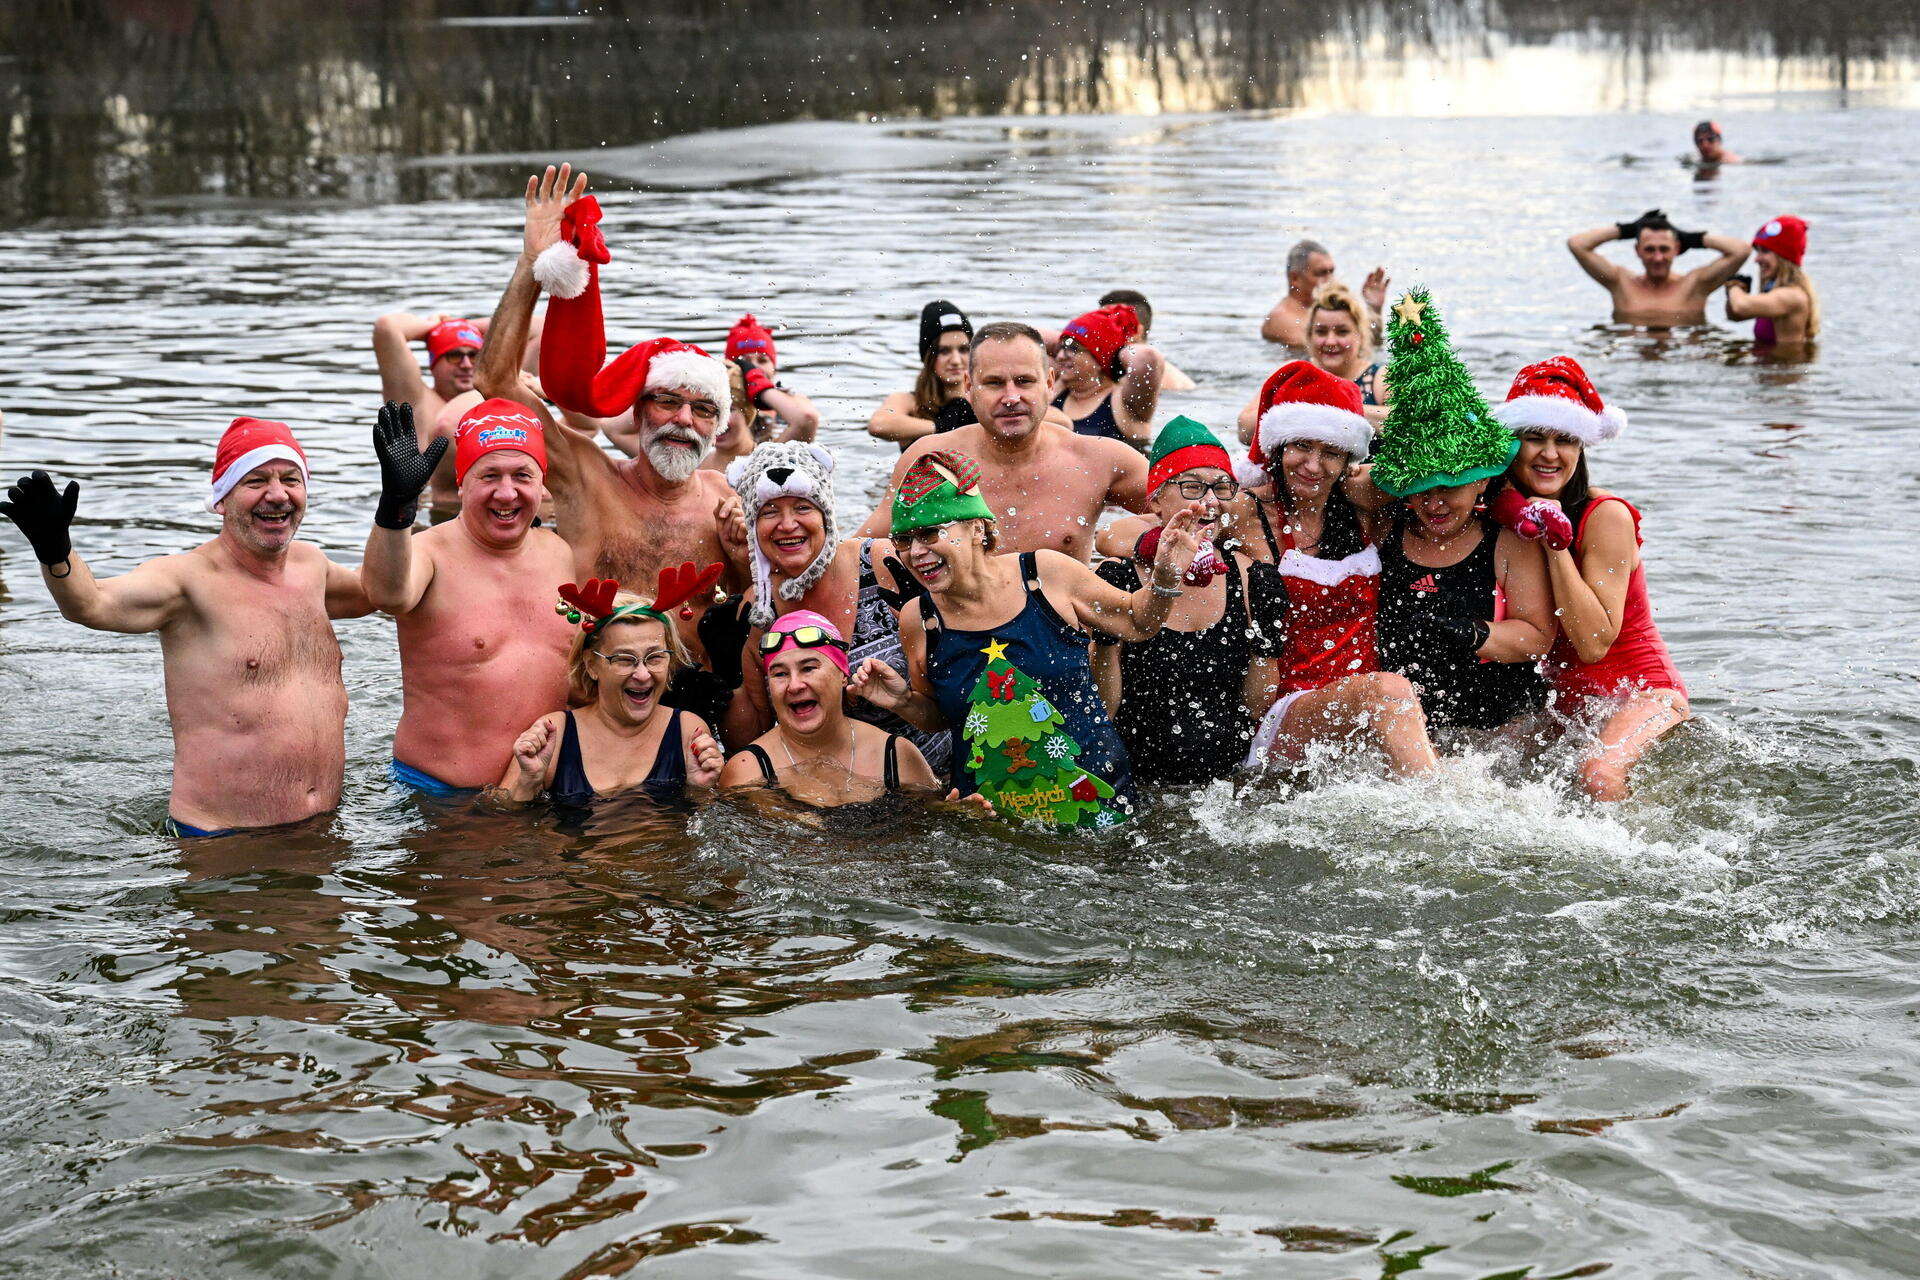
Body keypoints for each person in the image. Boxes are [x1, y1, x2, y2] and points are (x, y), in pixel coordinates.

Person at [473, 164, 752, 731]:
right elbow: (494, 381)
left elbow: (758, 616)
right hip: (590, 717)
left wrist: (748, 562)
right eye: (667, 401)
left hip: (698, 718)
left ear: (718, 425)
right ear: (638, 411)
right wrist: (531, 265)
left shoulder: (731, 501)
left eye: (702, 409)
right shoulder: (586, 477)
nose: (683, 420)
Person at [0, 419, 372, 836]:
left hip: (325, 831)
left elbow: (381, 592)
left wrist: (397, 505)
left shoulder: (312, 568)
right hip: (222, 843)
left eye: (290, 479)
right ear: (221, 499)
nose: (277, 494)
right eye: (255, 481)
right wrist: (55, 550)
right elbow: (91, 605)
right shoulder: (185, 581)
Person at [849, 451, 1201, 828]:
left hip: (1095, 798)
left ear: (977, 529)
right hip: (991, 817)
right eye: (904, 539)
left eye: (930, 533)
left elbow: (1136, 622)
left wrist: (1165, 577)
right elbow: (942, 718)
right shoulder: (919, 618)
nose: (916, 552)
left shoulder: (1045, 574)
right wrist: (903, 701)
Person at [1487, 357, 1688, 801]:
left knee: (1598, 775)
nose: (1550, 454)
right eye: (1534, 437)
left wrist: (1553, 540)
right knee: (1471, 761)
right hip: (1566, 704)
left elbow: (1593, 642)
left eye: (1565, 440)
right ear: (1511, 443)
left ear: (1581, 449)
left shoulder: (1606, 515)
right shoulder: (1502, 514)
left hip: (1643, 694)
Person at [1228, 365, 1440, 774]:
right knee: (1390, 690)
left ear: (1349, 459)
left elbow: (1439, 449)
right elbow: (1129, 531)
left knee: (1392, 699)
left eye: (1331, 451)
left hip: (1364, 708)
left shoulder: (1364, 504)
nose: (1313, 465)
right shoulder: (1246, 510)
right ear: (1278, 447)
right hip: (1282, 712)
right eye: (1301, 446)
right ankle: (1450, 810)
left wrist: (1363, 418)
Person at [360, 398, 577, 795]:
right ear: (461, 483)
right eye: (489, 476)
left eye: (522, 476)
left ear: (542, 483)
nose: (507, 493)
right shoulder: (428, 552)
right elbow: (387, 594)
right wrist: (396, 507)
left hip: (545, 793)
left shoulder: (561, 553)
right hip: (437, 796)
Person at [1363, 291, 1557, 732]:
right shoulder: (1384, 529)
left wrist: (1471, 632)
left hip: (1498, 723)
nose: (1434, 504)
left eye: (1449, 487)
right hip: (1411, 722)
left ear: (1482, 481)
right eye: (1420, 488)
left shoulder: (1507, 541)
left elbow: (1536, 637)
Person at [727, 441, 953, 775]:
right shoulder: (759, 608)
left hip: (939, 774)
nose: (787, 525)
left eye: (802, 507)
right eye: (769, 512)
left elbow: (959, 677)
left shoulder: (884, 565)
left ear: (826, 514)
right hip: (839, 789)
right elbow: (751, 738)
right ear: (753, 526)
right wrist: (727, 671)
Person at [1088, 417, 1285, 784]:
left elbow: (1254, 706)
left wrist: (1267, 646)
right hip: (1138, 779)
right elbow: (1103, 709)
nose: (1210, 501)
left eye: (1221, 487)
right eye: (1193, 486)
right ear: (1156, 500)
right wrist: (1104, 642)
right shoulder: (1119, 578)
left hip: (1223, 787)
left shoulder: (1251, 579)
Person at [858, 322, 1148, 562]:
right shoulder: (931, 459)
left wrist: (1127, 545)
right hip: (959, 615)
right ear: (969, 387)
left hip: (1060, 615)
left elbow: (1174, 515)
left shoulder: (1099, 460)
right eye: (994, 383)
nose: (1011, 397)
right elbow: (861, 552)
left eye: (1024, 381)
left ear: (1049, 383)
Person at [497, 568, 726, 809]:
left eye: (655, 657)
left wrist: (700, 790)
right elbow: (504, 823)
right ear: (591, 665)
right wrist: (528, 782)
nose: (643, 674)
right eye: (625, 659)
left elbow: (704, 820)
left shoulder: (688, 730)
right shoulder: (554, 734)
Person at [719, 610, 943, 805]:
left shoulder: (897, 756)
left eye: (808, 668)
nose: (794, 685)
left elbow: (934, 818)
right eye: (780, 674)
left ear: (843, 675)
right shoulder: (748, 772)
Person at [1238, 281, 1389, 441]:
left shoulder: (1380, 378)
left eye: (1342, 332)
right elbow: (1244, 430)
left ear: (1360, 336)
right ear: (1309, 336)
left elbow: (1402, 421)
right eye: (1321, 332)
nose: (1330, 341)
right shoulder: (1292, 373)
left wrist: (1333, 406)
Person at [1566, 208, 1750, 327]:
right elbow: (1577, 244)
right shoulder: (1621, 283)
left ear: (1676, 249)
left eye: (1664, 249)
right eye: (1649, 249)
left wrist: (1692, 238)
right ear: (1637, 250)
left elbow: (1741, 250)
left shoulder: (1695, 285)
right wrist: (1627, 229)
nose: (1657, 258)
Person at [1048, 303, 1163, 448]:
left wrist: (1113, 354)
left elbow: (1146, 357)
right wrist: (1073, 336)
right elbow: (1028, 337)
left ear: (1099, 360)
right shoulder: (1057, 384)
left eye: (1073, 349)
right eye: (1061, 347)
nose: (1060, 356)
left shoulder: (1124, 404)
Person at [867, 300, 979, 446]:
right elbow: (879, 425)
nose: (956, 360)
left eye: (963, 349)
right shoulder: (910, 403)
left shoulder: (983, 399)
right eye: (944, 351)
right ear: (928, 357)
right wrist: (941, 427)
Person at [1261, 239, 1388, 348]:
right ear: (1295, 279)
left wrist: (1374, 308)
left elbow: (1368, 343)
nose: (1330, 280)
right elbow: (1327, 350)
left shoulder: (1325, 311)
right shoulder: (1281, 318)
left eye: (1331, 272)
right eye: (1321, 273)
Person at [725, 312, 821, 443]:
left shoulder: (794, 402)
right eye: (745, 362)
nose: (755, 368)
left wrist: (759, 386)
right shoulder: (718, 408)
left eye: (762, 360)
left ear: (774, 369)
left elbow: (807, 419)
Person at [1725, 216, 1819, 348]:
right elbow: (1735, 316)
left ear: (1784, 257)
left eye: (1765, 251)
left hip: (1784, 361)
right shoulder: (1773, 290)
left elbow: (1741, 307)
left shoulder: (1792, 295)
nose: (1757, 259)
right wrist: (1735, 291)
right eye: (1757, 251)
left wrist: (1734, 285)